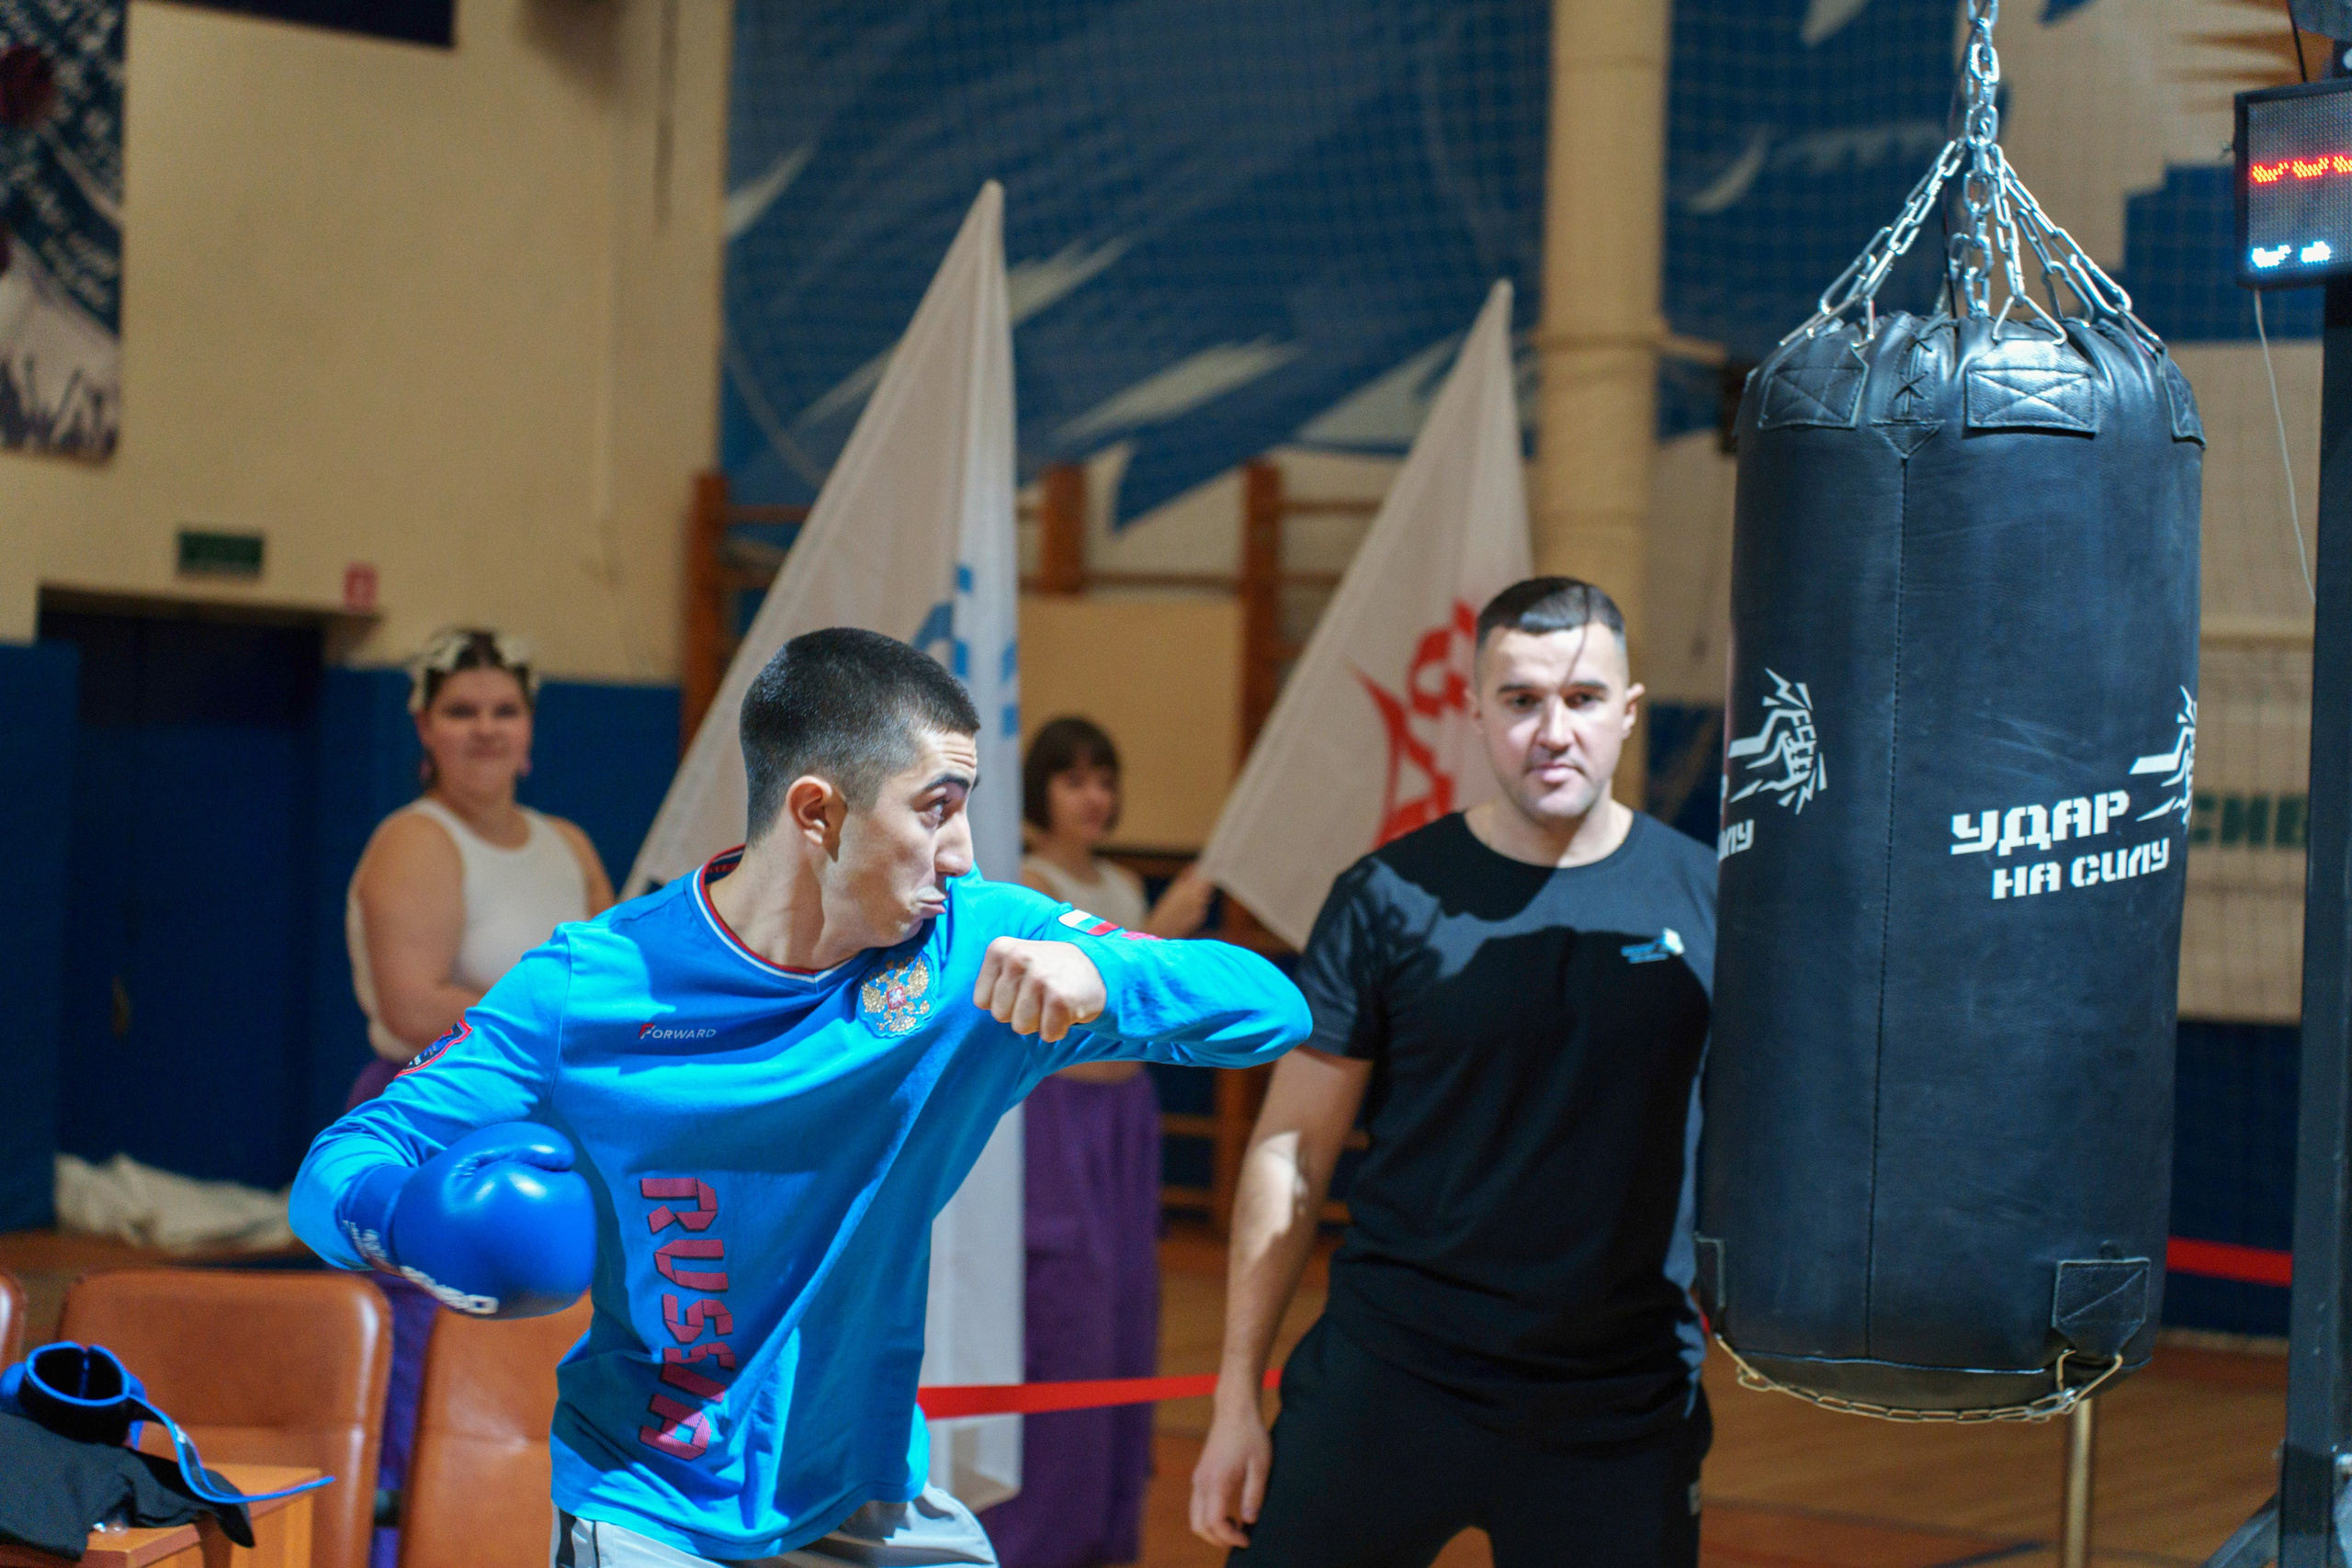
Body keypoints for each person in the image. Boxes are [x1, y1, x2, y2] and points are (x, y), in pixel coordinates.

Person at [289, 626, 1314, 1568]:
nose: (962, 851)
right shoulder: (591, 986)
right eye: (937, 807)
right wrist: (409, 1219)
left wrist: (1110, 978)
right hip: (654, 1506)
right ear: (818, 812)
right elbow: (338, 1165)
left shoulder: (972, 950)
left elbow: (1274, 1006)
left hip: (867, 1497)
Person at [1189, 579, 1717, 1568]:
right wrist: (1234, 1400)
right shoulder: (1386, 897)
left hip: (1620, 1403)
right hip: (1394, 1375)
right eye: (1521, 701)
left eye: (1583, 699)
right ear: (1475, 712)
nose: (1552, 731)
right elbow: (1292, 1148)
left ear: (1628, 712)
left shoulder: (1712, 899)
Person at [341, 627, 614, 1568]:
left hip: (554, 1139)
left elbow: (613, 990)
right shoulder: (414, 839)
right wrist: (562, 1028)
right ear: (425, 726)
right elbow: (414, 1004)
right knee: (427, 1381)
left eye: (504, 710)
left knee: (541, 1374)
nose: (486, 729)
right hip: (434, 1131)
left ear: (531, 729)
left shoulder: (568, 843)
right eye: (462, 711)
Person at [978, 718, 1213, 1568]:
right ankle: (1038, 1537)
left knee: (1124, 1316)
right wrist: (1162, 937)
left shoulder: (1120, 882)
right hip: (1057, 1124)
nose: (1094, 796)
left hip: (1126, 1124)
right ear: (1040, 791)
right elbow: (1081, 1016)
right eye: (1074, 779)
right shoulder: (1026, 886)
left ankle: (1107, 1529)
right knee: (1065, 1319)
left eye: (1104, 779)